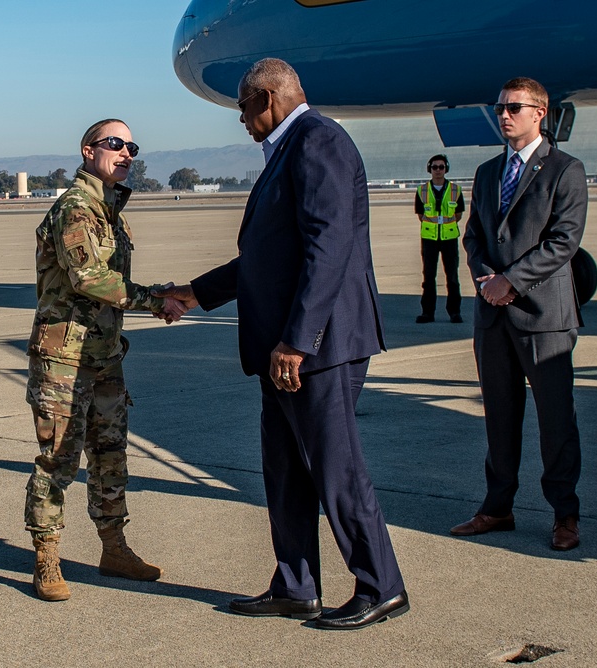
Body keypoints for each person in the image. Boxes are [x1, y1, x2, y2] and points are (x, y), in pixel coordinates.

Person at [155, 59, 408, 630]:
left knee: (336, 469)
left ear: (267, 98)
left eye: (243, 108)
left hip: (318, 345)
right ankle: (296, 585)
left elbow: (329, 246)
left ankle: (381, 585)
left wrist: (298, 340)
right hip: (287, 348)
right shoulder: (290, 150)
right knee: (286, 469)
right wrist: (195, 292)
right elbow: (268, 258)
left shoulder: (319, 142)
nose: (242, 122)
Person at [23, 119, 187, 602]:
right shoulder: (76, 209)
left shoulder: (110, 211)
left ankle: (114, 547)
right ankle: (46, 557)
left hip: (105, 355)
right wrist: (158, 299)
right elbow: (89, 278)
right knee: (58, 460)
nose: (126, 153)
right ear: (87, 150)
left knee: (110, 455)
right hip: (65, 358)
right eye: (114, 144)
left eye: (131, 146)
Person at [454, 77, 586, 551]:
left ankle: (564, 515)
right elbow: (473, 238)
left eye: (513, 107)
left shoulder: (566, 170)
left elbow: (563, 240)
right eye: (500, 107)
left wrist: (512, 280)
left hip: (543, 316)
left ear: (540, 112)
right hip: (493, 317)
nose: (503, 115)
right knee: (500, 419)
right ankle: (496, 507)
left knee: (556, 421)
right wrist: (487, 278)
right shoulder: (489, 172)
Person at [414, 154, 465, 323]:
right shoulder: (421, 191)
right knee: (428, 276)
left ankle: (454, 312)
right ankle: (427, 312)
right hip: (429, 238)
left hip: (449, 238)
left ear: (446, 169)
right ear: (430, 169)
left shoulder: (455, 190)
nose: (438, 170)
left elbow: (458, 214)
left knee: (452, 277)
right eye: (434, 167)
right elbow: (420, 214)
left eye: (441, 167)